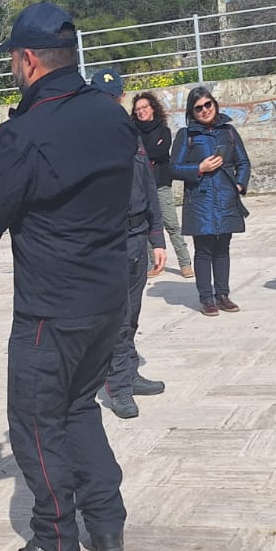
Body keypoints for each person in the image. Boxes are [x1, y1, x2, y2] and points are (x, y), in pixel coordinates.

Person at [0, 2, 135, 551]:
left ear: (28, 59)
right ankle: (106, 523)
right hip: (108, 296)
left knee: (35, 422)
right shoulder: (112, 117)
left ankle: (56, 539)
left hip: (50, 307)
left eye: (13, 59)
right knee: (78, 406)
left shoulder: (25, 133)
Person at [91, 69, 167, 419]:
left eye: (113, 95)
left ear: (120, 96)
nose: (109, 101)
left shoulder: (131, 135)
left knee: (132, 313)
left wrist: (157, 238)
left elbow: (149, 188)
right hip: (108, 241)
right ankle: (117, 385)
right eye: (102, 96)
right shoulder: (87, 138)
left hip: (138, 238)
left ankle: (130, 372)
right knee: (117, 317)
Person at [170, 86, 251, 316]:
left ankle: (223, 294)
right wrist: (199, 168)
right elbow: (173, 168)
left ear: (214, 105)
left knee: (223, 248)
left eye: (208, 105)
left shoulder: (229, 131)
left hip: (226, 197)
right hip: (200, 199)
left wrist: (239, 184)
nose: (204, 110)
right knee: (204, 250)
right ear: (192, 112)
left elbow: (243, 163)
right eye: (198, 108)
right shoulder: (186, 135)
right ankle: (206, 298)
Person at [134, 91, 192, 278]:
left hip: (160, 183)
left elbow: (160, 152)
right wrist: (148, 154)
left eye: (144, 107)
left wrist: (144, 153)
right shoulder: (132, 132)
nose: (141, 112)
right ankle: (156, 265)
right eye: (137, 110)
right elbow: (141, 153)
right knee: (148, 225)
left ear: (152, 109)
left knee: (171, 224)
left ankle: (185, 263)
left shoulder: (163, 130)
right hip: (141, 185)